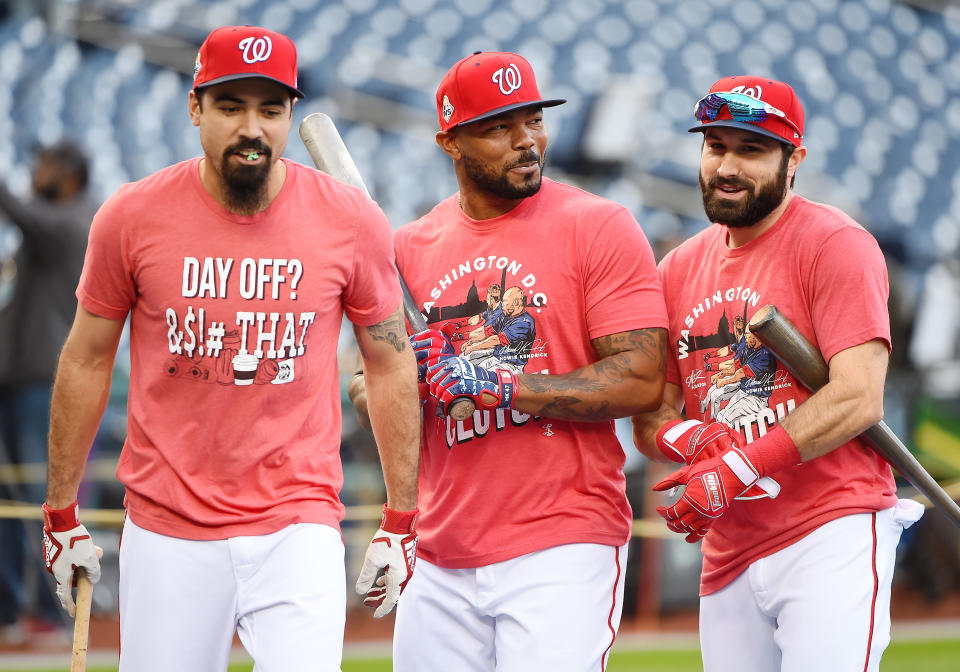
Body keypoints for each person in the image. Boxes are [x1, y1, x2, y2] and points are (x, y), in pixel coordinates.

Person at [39, 26, 420, 671]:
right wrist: (60, 514)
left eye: (271, 110)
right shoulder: (130, 217)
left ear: (290, 114)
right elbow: (85, 358)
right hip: (167, 526)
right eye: (231, 106)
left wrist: (401, 519)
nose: (253, 128)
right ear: (195, 109)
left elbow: (390, 360)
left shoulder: (349, 218)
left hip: (298, 522)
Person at [352, 51, 669, 670]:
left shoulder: (598, 225)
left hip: (562, 539)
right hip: (439, 548)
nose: (527, 141)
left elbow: (641, 381)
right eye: (500, 127)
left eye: (533, 120)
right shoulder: (406, 249)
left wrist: (497, 383)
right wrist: (405, 383)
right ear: (450, 141)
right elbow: (368, 390)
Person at [630, 76, 924, 671]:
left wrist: (737, 466)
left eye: (751, 150)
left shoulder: (837, 244)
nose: (728, 166)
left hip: (829, 530)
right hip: (729, 545)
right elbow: (650, 409)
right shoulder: (677, 268)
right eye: (716, 147)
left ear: (795, 161)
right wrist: (686, 438)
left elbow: (859, 397)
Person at [0, 139, 96, 646]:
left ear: (70, 173)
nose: (36, 171)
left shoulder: (72, 222)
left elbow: (22, 214)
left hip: (45, 381)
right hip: (19, 377)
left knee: (45, 495)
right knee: (13, 497)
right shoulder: (55, 221)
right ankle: (16, 609)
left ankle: (54, 615)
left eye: (45, 164)